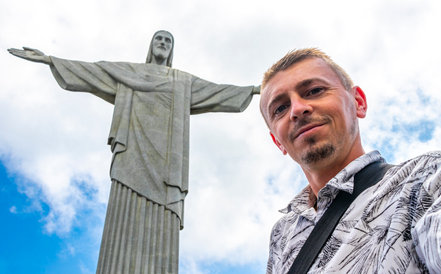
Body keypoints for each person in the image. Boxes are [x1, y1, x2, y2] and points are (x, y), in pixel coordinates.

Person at [8, 30, 260, 274]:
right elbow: (94, 70)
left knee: (162, 224)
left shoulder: (183, 81)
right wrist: (50, 60)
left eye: (167, 41)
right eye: (158, 39)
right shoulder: (129, 72)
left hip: (166, 166)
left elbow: (216, 91)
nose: (162, 43)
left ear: (171, 50)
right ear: (151, 46)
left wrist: (255, 90)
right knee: (122, 218)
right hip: (131, 156)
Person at [259, 48, 441, 273]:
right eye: (280, 108)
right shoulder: (282, 235)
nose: (297, 109)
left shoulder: (430, 177)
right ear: (277, 141)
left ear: (358, 102)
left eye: (314, 91)